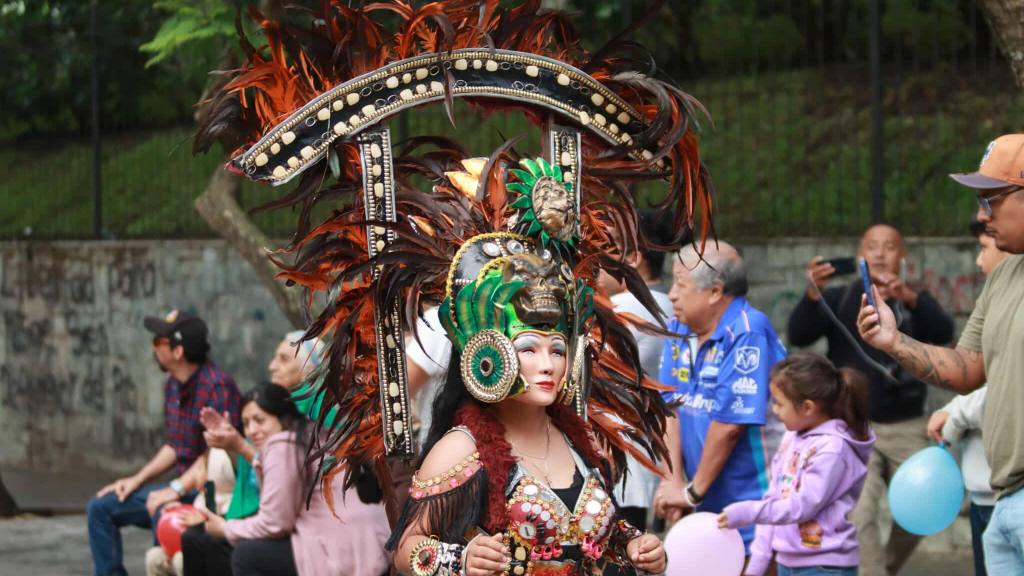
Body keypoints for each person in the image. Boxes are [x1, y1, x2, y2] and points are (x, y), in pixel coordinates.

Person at [202, 2, 715, 574]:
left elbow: (592, 534)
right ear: (487, 355)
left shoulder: (573, 438)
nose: (548, 364)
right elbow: (405, 553)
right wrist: (458, 560)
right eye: (528, 348)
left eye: (555, 347)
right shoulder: (461, 450)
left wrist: (631, 546)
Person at [857, 134, 1024, 574]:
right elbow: (968, 368)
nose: (980, 215)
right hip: (1006, 498)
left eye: (990, 199)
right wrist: (894, 341)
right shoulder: (1004, 276)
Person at [787, 224, 954, 576]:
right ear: (859, 255)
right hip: (853, 427)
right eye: (872, 247)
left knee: (922, 510)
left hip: (907, 425)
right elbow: (799, 334)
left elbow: (944, 333)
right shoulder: (841, 299)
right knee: (858, 513)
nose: (880, 253)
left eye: (890, 246)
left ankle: (885, 567)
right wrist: (812, 293)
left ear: (903, 257)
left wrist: (910, 298)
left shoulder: (912, 301)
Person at [653, 241, 787, 553]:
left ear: (715, 292)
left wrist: (690, 493)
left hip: (756, 501)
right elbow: (668, 408)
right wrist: (673, 483)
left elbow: (730, 425)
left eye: (680, 284)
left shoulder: (746, 331)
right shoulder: (678, 328)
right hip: (705, 500)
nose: (671, 294)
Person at [87, 310, 240, 576]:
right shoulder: (173, 385)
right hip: (180, 485)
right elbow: (175, 445)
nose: (153, 348)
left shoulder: (218, 386)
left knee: (163, 513)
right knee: (101, 507)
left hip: (207, 492)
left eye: (159, 342)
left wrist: (176, 489)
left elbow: (215, 452)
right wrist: (136, 480)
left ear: (178, 351)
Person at [180, 384, 391, 576]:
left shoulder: (283, 445)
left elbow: (275, 523)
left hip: (343, 549)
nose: (252, 430)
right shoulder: (311, 433)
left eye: (259, 420)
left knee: (246, 556)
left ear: (284, 419)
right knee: (202, 540)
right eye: (246, 423)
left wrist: (225, 529)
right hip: (370, 541)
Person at [718, 352, 875, 576]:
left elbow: (801, 506)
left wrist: (748, 511)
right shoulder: (791, 437)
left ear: (808, 407)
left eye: (780, 404)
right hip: (788, 562)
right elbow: (774, 499)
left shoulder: (832, 449)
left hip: (825, 566)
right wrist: (756, 565)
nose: (774, 410)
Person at [923, 219, 1009, 576]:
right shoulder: (995, 299)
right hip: (985, 493)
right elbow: (970, 372)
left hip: (1003, 494)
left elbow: (1006, 388)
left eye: (984, 248)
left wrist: (956, 415)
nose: (977, 261)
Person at [595, 209, 674, 535]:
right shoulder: (668, 304)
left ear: (635, 258)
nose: (596, 260)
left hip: (622, 454)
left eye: (607, 249)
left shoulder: (625, 310)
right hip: (644, 452)